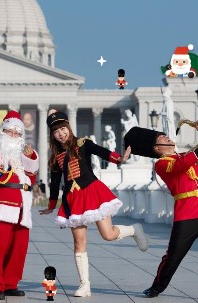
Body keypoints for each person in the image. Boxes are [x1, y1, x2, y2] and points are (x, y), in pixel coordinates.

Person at [124, 124, 198, 302]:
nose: (167, 137)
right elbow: (181, 165)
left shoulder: (190, 156)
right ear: (157, 149)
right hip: (187, 214)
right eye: (162, 138)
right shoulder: (162, 165)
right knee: (174, 256)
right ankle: (157, 287)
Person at [39, 110, 148, 298]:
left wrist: (119, 158)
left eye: (63, 128)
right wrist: (51, 205)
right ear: (52, 135)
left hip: (93, 192)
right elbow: (56, 183)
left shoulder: (83, 143)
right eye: (56, 131)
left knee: (108, 234)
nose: (61, 134)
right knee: (78, 242)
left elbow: (102, 152)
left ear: (68, 128)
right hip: (72, 199)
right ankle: (84, 285)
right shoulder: (55, 157)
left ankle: (134, 230)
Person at [0, 111, 39, 300]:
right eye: (9, 131)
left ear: (21, 136)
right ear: (1, 131)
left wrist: (31, 158)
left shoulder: (22, 156)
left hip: (21, 209)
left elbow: (31, 177)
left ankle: (10, 283)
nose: (12, 135)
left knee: (18, 249)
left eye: (17, 133)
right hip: (0, 207)